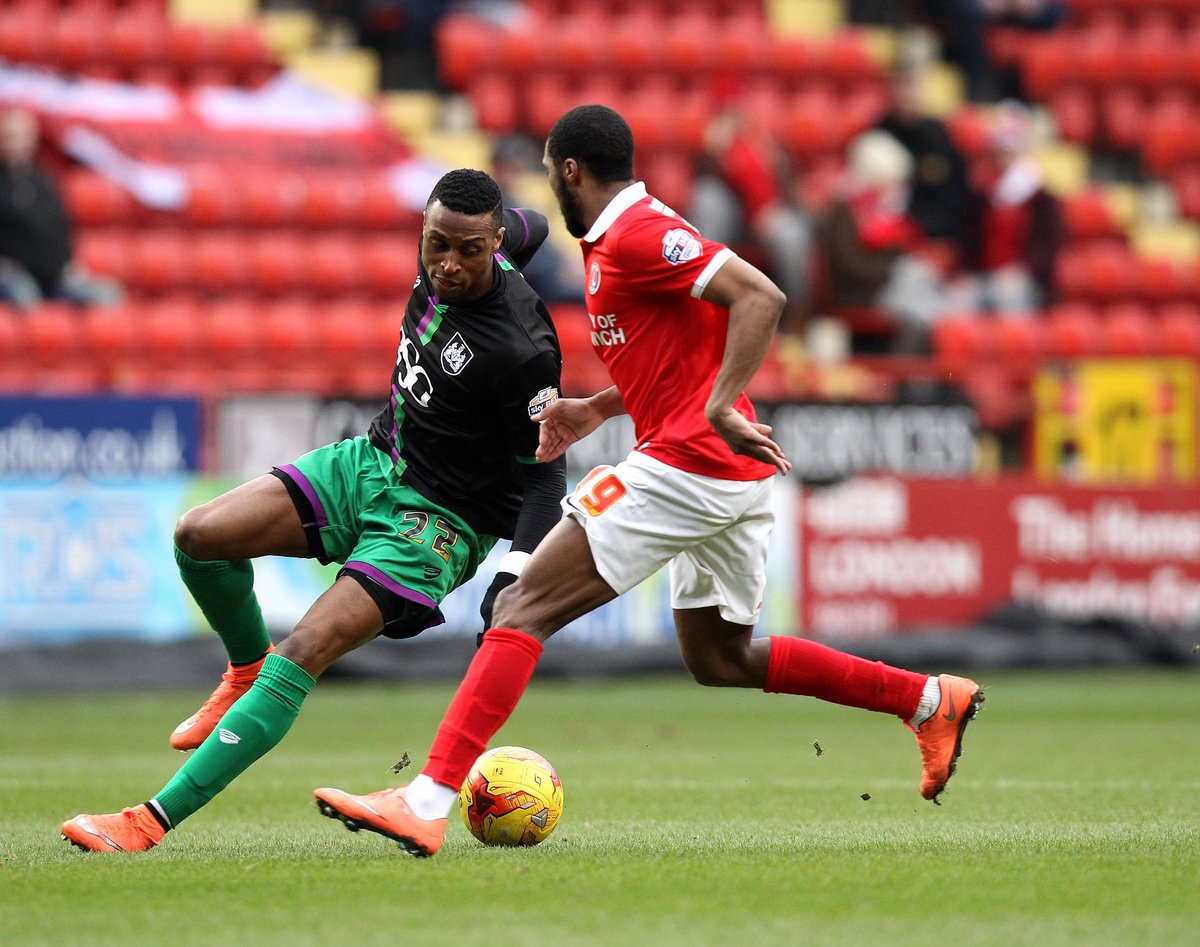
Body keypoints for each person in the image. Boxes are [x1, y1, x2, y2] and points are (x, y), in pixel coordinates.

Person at [311, 105, 985, 858]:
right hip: (727, 473)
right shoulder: (617, 238)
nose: (549, 187)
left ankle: (426, 799)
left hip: (688, 463)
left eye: (549, 173)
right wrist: (597, 408)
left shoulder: (635, 233)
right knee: (720, 657)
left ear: (570, 170)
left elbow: (761, 297)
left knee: (522, 605)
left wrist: (722, 403)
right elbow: (674, 355)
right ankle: (928, 699)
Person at [60, 168, 568, 852]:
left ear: (495, 243)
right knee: (199, 535)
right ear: (425, 229)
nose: (448, 263)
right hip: (371, 461)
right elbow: (535, 225)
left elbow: (547, 474)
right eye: (437, 244)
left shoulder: (523, 351)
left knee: (303, 648)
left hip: (436, 523)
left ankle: (146, 822)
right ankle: (244, 670)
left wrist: (514, 572)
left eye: (469, 251)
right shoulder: (473, 241)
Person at [688, 94, 813, 334]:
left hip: (766, 220)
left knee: (790, 235)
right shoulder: (712, 152)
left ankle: (797, 318)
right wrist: (714, 154)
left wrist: (775, 166)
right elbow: (697, 185)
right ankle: (705, 300)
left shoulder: (764, 148)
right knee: (708, 199)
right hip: (731, 221)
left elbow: (789, 191)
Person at [818, 129, 949, 353]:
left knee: (931, 301)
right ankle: (907, 370)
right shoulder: (846, 211)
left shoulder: (879, 211)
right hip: (860, 292)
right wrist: (894, 269)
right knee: (920, 319)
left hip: (883, 285)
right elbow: (849, 263)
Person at [947, 100, 1063, 314]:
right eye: (1000, 151)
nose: (1004, 158)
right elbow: (967, 239)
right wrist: (964, 273)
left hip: (1022, 278)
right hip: (982, 276)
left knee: (1009, 298)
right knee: (957, 302)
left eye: (1009, 152)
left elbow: (1049, 246)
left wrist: (1025, 270)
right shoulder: (982, 192)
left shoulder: (1040, 198)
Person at [0, 106, 122, 309]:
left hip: (55, 274)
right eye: (9, 136)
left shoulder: (45, 180)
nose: (15, 142)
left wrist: (68, 262)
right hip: (13, 275)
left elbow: (59, 226)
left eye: (21, 136)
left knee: (107, 294)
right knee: (26, 296)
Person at [874, 65, 972, 246]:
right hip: (887, 234)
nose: (905, 95)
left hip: (932, 233)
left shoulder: (938, 135)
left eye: (910, 87)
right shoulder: (879, 135)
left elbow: (955, 192)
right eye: (900, 86)